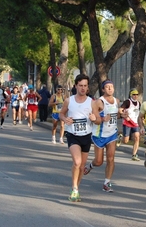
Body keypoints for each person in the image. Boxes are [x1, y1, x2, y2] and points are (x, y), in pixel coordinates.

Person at [59, 74, 100, 202]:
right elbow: (61, 113)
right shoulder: (69, 100)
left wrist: (95, 119)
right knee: (77, 162)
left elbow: (98, 120)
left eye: (85, 86)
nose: (83, 88)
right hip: (73, 135)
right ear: (76, 85)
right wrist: (65, 119)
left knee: (82, 166)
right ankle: (74, 188)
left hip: (86, 136)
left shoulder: (92, 102)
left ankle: (76, 188)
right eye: (80, 85)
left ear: (88, 87)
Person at [83, 80, 121, 193]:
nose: (110, 89)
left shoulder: (116, 101)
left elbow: (116, 116)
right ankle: (90, 166)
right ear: (103, 89)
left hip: (112, 134)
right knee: (99, 162)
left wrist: (122, 115)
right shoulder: (98, 102)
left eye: (111, 86)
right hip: (99, 134)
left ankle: (107, 182)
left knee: (111, 158)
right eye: (107, 87)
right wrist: (101, 119)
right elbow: (95, 119)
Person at [117, 88, 141, 161]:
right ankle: (120, 138)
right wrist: (123, 114)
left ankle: (134, 155)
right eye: (134, 94)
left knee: (137, 137)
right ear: (131, 95)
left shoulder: (139, 103)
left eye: (137, 94)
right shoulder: (127, 102)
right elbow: (120, 109)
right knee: (126, 141)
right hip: (127, 122)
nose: (135, 96)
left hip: (135, 123)